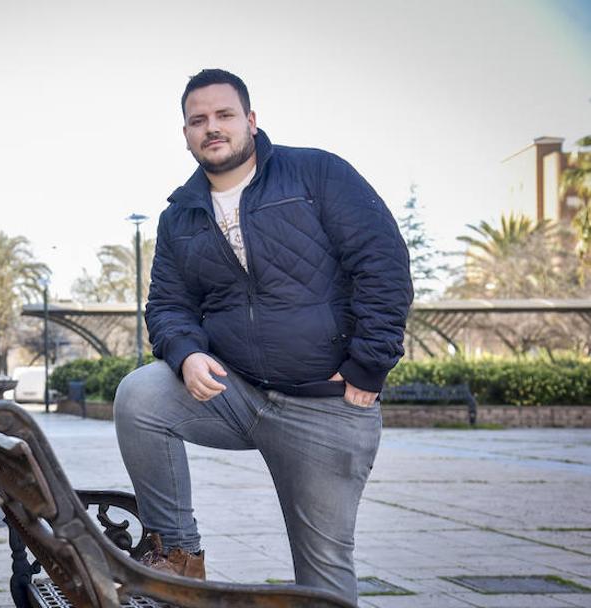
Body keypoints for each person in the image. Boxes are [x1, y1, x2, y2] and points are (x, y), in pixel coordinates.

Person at [114, 68, 412, 605]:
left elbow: (383, 263)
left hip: (325, 403)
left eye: (224, 115)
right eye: (197, 120)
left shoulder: (316, 173)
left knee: (322, 582)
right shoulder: (180, 215)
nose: (212, 128)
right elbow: (167, 306)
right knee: (140, 396)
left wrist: (369, 364)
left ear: (250, 120)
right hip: (236, 392)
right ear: (185, 133)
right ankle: (177, 558)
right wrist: (185, 356)